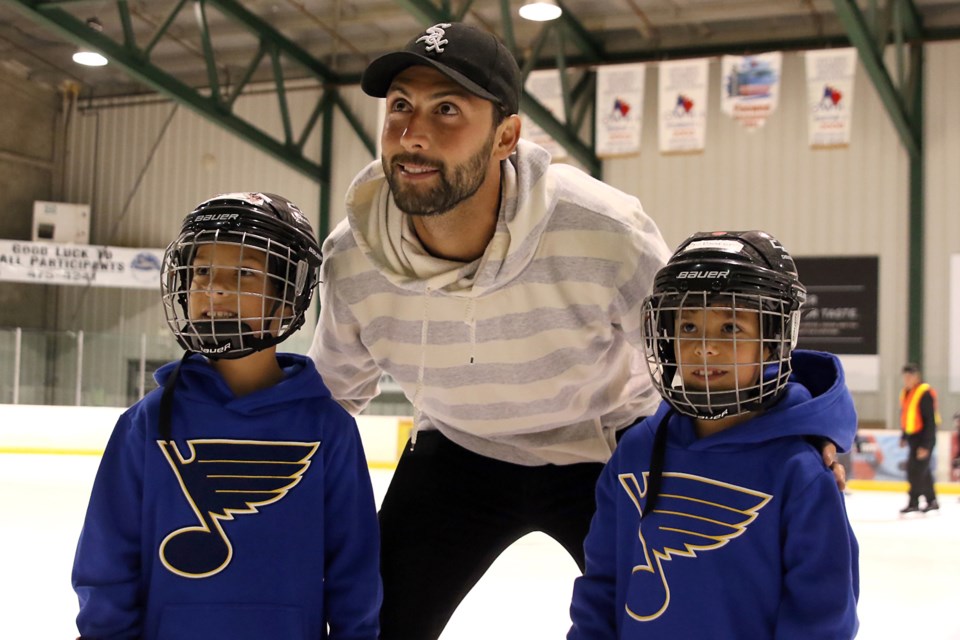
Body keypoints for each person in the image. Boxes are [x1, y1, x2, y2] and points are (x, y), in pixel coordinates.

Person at [307, 22, 846, 639]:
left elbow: (688, 350)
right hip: (460, 448)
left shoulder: (604, 228)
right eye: (400, 105)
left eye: (447, 109)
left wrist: (802, 429)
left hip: (607, 450)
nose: (412, 134)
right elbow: (332, 393)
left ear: (506, 135)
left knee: (654, 621)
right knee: (370, 625)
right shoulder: (353, 258)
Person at [72, 193, 381, 640]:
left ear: (288, 293)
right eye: (201, 271)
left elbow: (354, 570)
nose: (214, 287)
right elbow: (106, 559)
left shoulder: (327, 430)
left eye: (244, 273)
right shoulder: (147, 422)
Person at [568, 230, 860, 639]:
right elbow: (602, 584)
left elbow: (822, 614)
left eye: (730, 328)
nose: (704, 346)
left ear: (772, 341)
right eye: (688, 325)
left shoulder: (799, 471)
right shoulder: (636, 451)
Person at [898, 362, 940, 513]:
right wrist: (904, 436)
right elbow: (905, 416)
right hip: (913, 436)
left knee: (915, 471)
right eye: (905, 376)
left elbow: (930, 421)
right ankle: (932, 500)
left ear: (917, 377)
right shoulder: (906, 393)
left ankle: (914, 501)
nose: (907, 379)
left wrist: (926, 445)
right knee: (922, 470)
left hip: (924, 437)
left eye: (910, 376)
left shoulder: (924, 392)